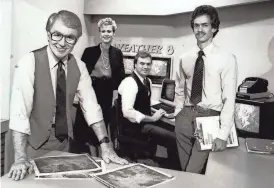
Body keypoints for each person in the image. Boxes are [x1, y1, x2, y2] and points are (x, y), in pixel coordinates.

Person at [8, 10, 128, 181]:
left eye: (70, 38)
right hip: (32, 146)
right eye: (57, 35)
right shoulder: (29, 62)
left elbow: (91, 107)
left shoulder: (79, 66)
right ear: (48, 34)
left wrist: (106, 145)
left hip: (65, 144)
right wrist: (20, 158)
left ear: (76, 40)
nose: (62, 43)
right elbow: (20, 113)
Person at [173, 5, 237, 173]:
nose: (199, 30)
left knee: (192, 171)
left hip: (209, 117)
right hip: (185, 117)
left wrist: (223, 133)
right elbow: (180, 89)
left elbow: (229, 99)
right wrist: (179, 114)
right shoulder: (184, 58)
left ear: (214, 28)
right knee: (185, 172)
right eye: (196, 25)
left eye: (205, 25)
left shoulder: (227, 59)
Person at [118, 51, 179, 168]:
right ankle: (173, 168)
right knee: (174, 139)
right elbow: (128, 112)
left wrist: (159, 113)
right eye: (142, 63)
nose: (145, 67)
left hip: (145, 123)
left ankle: (170, 164)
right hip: (135, 128)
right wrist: (152, 118)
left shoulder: (147, 81)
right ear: (135, 64)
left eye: (148, 64)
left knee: (176, 131)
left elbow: (143, 103)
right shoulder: (130, 82)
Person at [73, 17, 125, 155]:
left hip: (107, 92)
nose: (106, 33)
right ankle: (92, 156)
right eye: (103, 31)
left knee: (103, 121)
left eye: (109, 31)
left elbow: (120, 76)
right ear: (99, 33)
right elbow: (80, 75)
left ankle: (102, 154)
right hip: (92, 89)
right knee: (89, 122)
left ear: (113, 33)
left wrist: (115, 93)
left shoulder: (117, 53)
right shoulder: (89, 52)